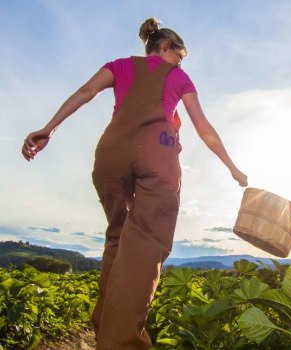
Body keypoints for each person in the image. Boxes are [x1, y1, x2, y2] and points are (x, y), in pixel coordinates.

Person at [22, 18, 248, 349]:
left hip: (110, 157)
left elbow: (86, 93)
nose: (180, 63)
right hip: (156, 155)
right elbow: (204, 127)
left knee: (118, 239)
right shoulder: (177, 76)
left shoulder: (119, 66)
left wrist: (48, 129)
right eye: (179, 56)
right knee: (146, 244)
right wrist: (232, 167)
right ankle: (121, 343)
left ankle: (104, 326)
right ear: (168, 48)